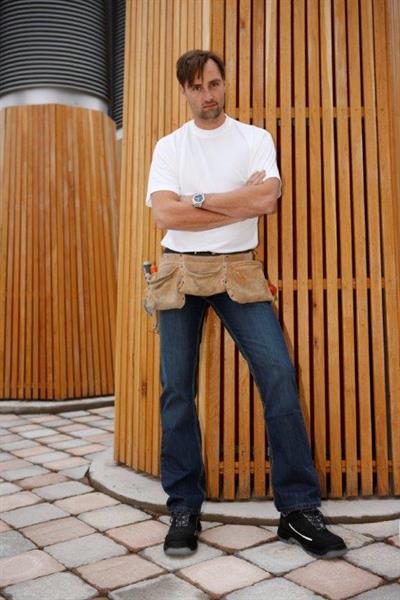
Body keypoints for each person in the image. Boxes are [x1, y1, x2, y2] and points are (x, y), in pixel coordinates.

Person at [145, 49, 347, 559]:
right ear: (184, 91)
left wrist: (196, 201)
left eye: (214, 84)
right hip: (179, 271)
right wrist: (232, 200)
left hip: (238, 269)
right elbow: (164, 217)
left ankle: (298, 510)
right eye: (197, 87)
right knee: (176, 390)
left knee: (277, 374)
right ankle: (184, 508)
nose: (207, 95)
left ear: (224, 83)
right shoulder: (169, 146)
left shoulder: (254, 139)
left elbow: (265, 200)